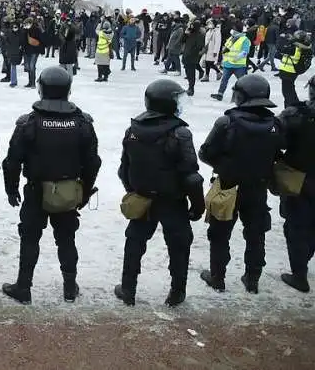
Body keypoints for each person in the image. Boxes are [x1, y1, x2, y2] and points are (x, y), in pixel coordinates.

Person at [1, 67, 101, 304]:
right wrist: (84, 191)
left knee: (30, 238)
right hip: (67, 192)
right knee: (66, 239)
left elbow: (12, 161)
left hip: (36, 190)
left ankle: (23, 287)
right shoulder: (82, 122)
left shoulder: (29, 123)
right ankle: (69, 287)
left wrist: (11, 188)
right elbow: (93, 162)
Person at [115, 79, 204, 307]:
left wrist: (133, 190)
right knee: (178, 244)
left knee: (134, 242)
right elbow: (191, 174)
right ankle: (177, 291)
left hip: (143, 198)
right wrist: (197, 204)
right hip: (172, 201)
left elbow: (124, 168)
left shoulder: (132, 130)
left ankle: (128, 288)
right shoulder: (180, 133)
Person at [199, 74, 284, 294]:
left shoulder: (226, 122)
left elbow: (205, 153)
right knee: (256, 233)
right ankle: (253, 278)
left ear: (240, 96)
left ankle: (217, 277)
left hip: (228, 186)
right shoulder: (274, 124)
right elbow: (278, 153)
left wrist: (225, 165)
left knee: (219, 233)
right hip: (258, 187)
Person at [277, 75, 315, 293]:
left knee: (296, 226)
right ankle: (305, 256)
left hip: (299, 177)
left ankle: (299, 274)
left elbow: (278, 139)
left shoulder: (297, 114)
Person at [211, 21, 249, 101]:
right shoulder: (231, 38)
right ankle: (220, 94)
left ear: (237, 29)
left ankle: (245, 96)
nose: (232, 29)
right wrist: (224, 51)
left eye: (233, 28)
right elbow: (226, 47)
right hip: (228, 64)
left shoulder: (244, 39)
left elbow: (245, 52)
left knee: (241, 82)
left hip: (238, 65)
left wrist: (236, 58)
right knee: (224, 80)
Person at [277, 30, 312, 108]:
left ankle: (295, 109)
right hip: (291, 71)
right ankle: (288, 108)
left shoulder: (295, 46)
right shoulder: (302, 45)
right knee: (289, 92)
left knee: (288, 93)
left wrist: (283, 38)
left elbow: (279, 50)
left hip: (288, 72)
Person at [181, 20, 205, 96]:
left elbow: (199, 46)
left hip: (192, 56)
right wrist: (185, 34)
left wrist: (192, 53)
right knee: (188, 73)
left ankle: (191, 88)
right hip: (186, 55)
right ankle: (190, 87)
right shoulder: (189, 33)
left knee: (191, 73)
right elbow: (182, 40)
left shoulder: (200, 35)